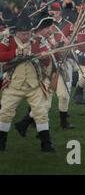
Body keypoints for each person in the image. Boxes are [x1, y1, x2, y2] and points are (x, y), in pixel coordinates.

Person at [0, 16, 55, 152]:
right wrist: (15, 53)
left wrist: (45, 56)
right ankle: (1, 143)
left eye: (28, 33)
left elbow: (48, 60)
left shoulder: (39, 40)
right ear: (16, 32)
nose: (26, 36)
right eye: (23, 34)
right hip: (13, 84)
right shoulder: (8, 40)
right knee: (5, 113)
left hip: (34, 85)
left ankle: (46, 145)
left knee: (41, 113)